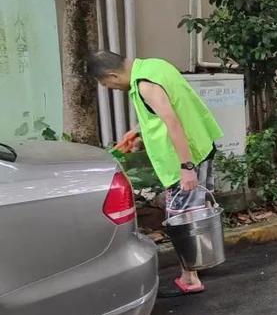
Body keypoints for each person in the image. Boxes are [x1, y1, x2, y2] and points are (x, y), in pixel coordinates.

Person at [87, 51, 223, 296]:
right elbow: (167, 109)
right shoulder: (155, 65)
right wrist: (138, 131)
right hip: (201, 145)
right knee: (197, 211)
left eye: (106, 84)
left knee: (181, 217)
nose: (110, 88)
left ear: (112, 74)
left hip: (183, 159)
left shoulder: (144, 85)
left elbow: (172, 121)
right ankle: (199, 263)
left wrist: (186, 167)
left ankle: (190, 278)